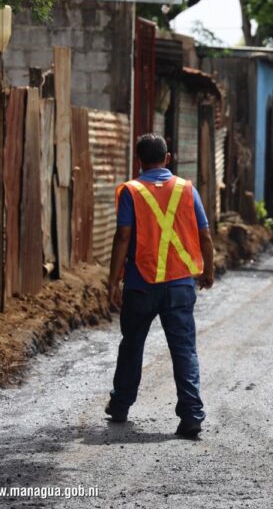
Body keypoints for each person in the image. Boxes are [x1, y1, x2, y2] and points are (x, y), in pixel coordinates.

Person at [105, 133, 215, 439]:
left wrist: (112, 281)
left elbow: (123, 237)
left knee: (132, 345)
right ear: (168, 158)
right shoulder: (186, 189)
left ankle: (120, 405)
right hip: (179, 285)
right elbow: (205, 235)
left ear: (138, 160)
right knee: (184, 350)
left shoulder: (131, 191)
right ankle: (191, 415)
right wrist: (208, 270)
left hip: (141, 284)